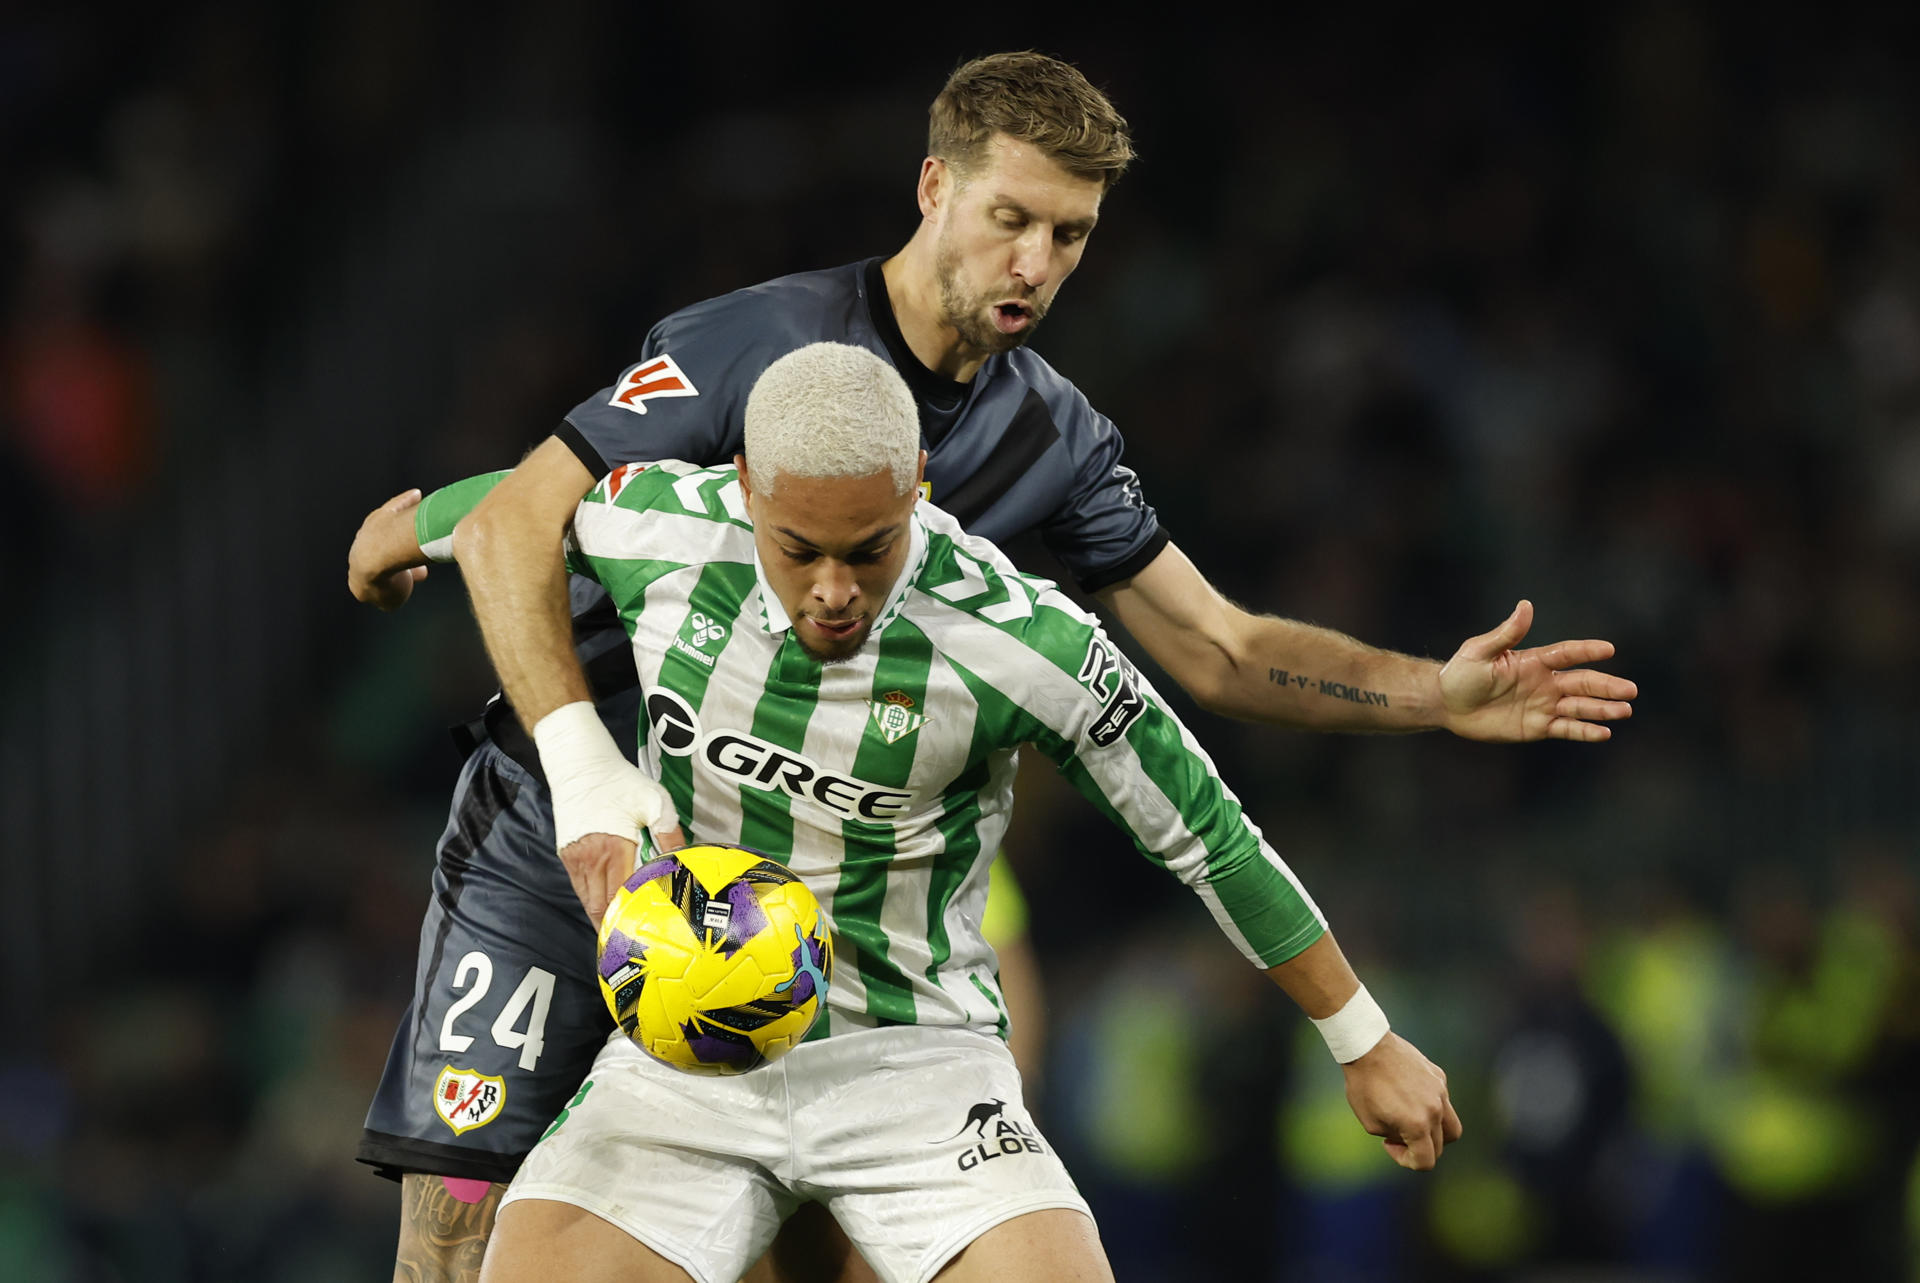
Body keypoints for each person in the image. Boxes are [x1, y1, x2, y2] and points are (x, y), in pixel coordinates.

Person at [347, 52, 1633, 1281]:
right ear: (933, 187)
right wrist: (448, 582)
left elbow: (1217, 644)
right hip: (562, 815)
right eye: (1012, 217)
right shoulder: (757, 344)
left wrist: (1430, 691)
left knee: (811, 1247)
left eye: (1070, 236)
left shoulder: (1052, 439)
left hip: (794, 877)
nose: (1036, 263)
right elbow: (531, 512)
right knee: (459, 1220)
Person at [355, 341, 1464, 1283]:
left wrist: (1361, 1037)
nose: (834, 587)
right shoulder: (662, 524)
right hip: (681, 1058)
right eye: (801, 551)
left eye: (869, 547)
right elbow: (506, 509)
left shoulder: (1026, 640)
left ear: (919, 486)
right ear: (744, 487)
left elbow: (1209, 834)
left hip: (913, 1063)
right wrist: (393, 540)